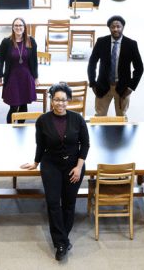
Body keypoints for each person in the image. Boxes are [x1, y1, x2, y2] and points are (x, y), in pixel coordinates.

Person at [21, 83, 89, 261]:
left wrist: (79, 167)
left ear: (69, 101)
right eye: (57, 100)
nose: (60, 103)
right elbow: (41, 145)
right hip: (51, 165)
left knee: (68, 203)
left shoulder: (78, 119)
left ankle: (62, 240)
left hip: (74, 166)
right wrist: (36, 162)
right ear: (51, 100)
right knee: (53, 203)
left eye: (64, 100)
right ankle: (61, 243)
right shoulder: (42, 120)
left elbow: (85, 144)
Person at [87, 15, 144, 117]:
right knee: (100, 116)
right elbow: (92, 63)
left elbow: (139, 68)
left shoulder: (131, 44)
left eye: (118, 26)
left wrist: (131, 87)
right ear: (109, 28)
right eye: (113, 27)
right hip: (103, 86)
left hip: (123, 88)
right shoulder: (101, 42)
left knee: (121, 117)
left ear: (123, 27)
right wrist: (92, 83)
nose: (116, 29)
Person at [0, 17, 39, 123]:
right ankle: (10, 128)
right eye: (16, 25)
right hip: (12, 78)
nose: (18, 28)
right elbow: (1, 61)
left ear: (24, 27)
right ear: (13, 28)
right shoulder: (6, 42)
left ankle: (21, 129)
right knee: (13, 107)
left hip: (26, 77)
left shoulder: (31, 41)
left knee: (24, 105)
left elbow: (34, 61)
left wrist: (36, 77)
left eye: (20, 25)